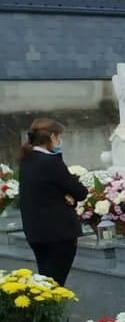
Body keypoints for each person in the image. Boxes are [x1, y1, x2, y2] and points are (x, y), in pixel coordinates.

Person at [17, 118, 87, 286]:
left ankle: (44, 311)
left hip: (36, 232)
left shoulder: (27, 160)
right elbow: (80, 192)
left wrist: (65, 194)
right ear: (52, 137)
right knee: (54, 284)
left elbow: (43, 191)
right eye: (59, 136)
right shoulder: (50, 162)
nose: (60, 141)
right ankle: (46, 312)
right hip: (58, 233)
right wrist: (69, 196)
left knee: (45, 280)